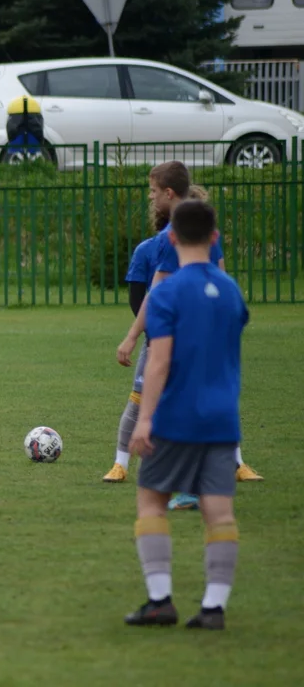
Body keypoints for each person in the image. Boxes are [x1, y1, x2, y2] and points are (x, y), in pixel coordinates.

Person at [124, 198, 247, 630]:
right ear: (215, 239)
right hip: (222, 420)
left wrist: (144, 420)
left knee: (151, 501)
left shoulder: (168, 292)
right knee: (220, 512)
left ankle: (160, 600)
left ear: (171, 238)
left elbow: (159, 361)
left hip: (176, 417)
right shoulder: (231, 291)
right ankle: (213, 607)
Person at [114, 161, 262, 499]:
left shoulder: (173, 239)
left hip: (184, 333)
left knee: (176, 399)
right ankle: (207, 476)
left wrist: (133, 335)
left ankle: (193, 480)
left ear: (168, 193)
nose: (151, 198)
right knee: (210, 396)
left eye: (153, 192)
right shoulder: (197, 236)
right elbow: (223, 286)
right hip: (199, 332)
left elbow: (159, 294)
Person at [102, 183, 201, 483]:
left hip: (195, 336)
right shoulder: (160, 246)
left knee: (205, 399)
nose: (150, 196)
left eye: (153, 190)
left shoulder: (210, 242)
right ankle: (121, 464)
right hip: (161, 335)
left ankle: (232, 463)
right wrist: (138, 333)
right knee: (140, 397)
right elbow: (148, 295)